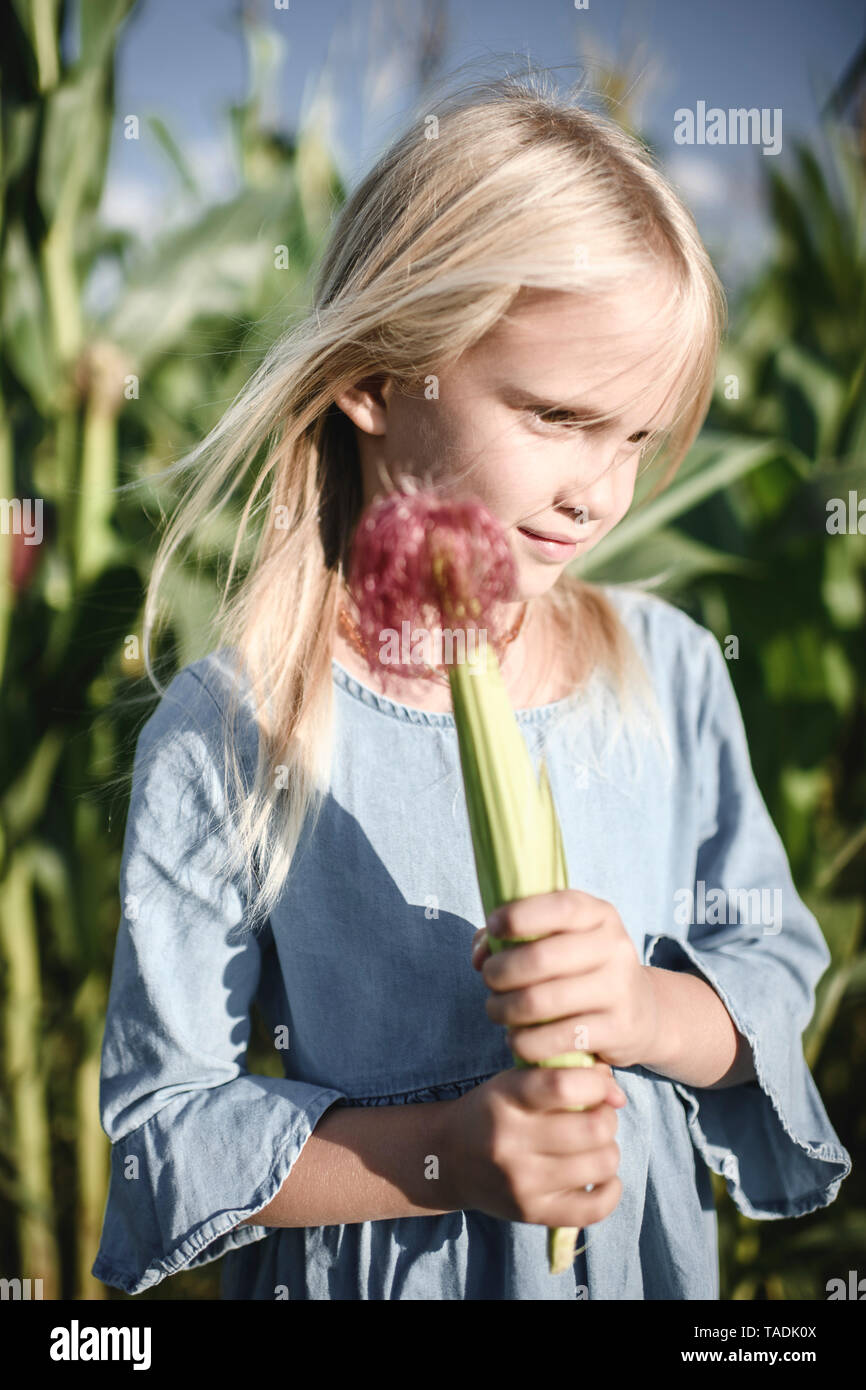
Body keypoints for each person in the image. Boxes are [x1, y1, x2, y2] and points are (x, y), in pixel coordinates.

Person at [91, 70, 850, 1300]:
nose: (597, 492)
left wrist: (643, 1008)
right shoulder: (234, 729)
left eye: (635, 437)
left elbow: (764, 983)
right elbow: (164, 1131)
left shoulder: (662, 673)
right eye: (555, 414)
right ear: (373, 380)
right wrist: (448, 1153)